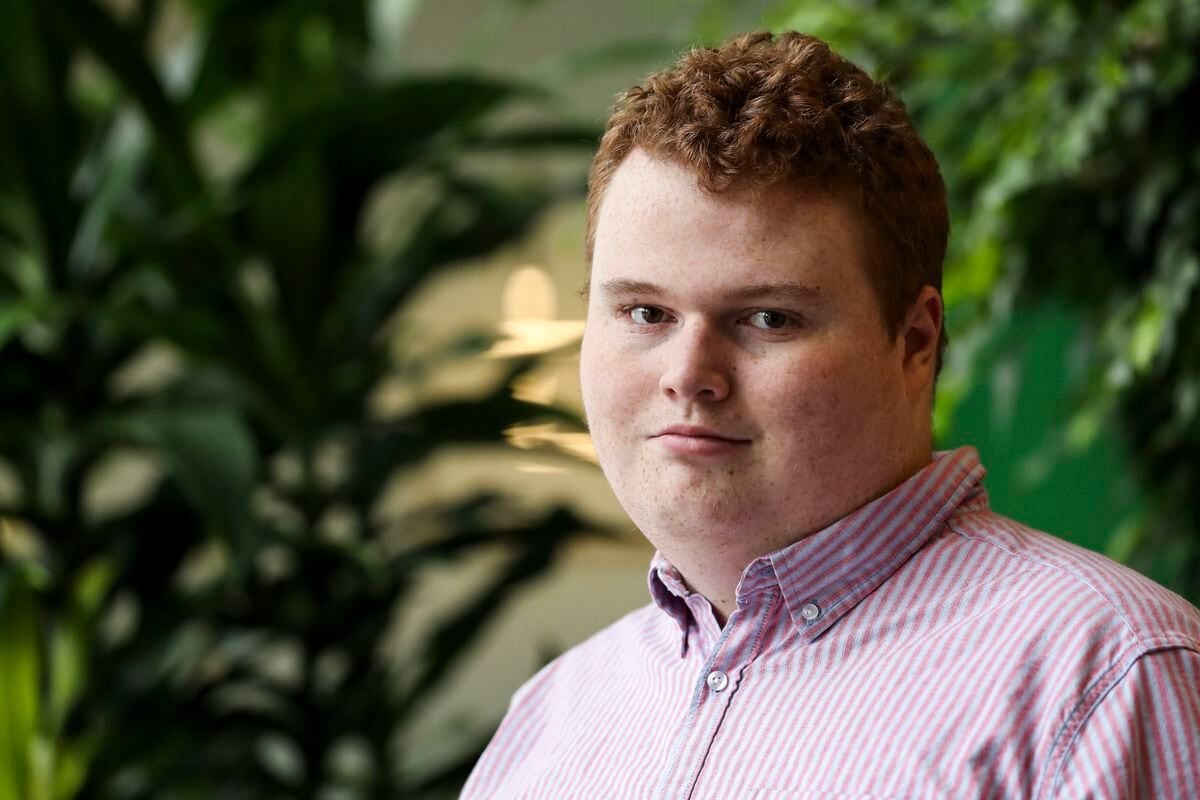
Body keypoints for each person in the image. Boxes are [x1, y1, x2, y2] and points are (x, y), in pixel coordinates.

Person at [461, 31, 1200, 799]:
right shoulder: (550, 720)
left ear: (914, 342)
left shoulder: (1105, 681)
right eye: (646, 312)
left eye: (768, 319)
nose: (689, 377)